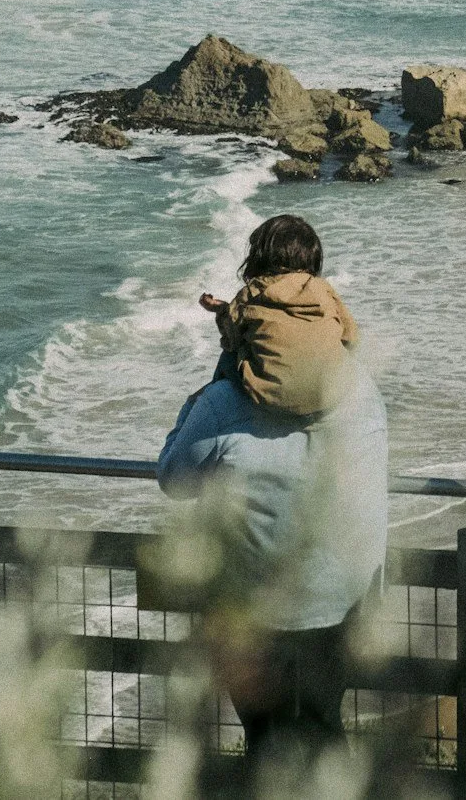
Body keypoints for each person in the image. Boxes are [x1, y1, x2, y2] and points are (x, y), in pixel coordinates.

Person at [157, 214, 388, 762]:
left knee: (266, 746)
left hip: (257, 611)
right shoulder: (363, 391)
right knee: (324, 731)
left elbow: (174, 478)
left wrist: (226, 360)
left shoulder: (225, 403)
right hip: (348, 600)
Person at [199, 216, 360, 417]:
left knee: (229, 355)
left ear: (259, 258)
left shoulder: (252, 291)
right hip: (329, 396)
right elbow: (351, 337)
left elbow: (231, 338)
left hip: (273, 399)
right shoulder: (324, 290)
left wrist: (222, 310)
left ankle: (209, 410)